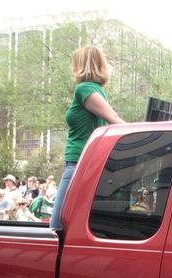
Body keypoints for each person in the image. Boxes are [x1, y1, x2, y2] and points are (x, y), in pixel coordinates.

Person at [50, 45, 125, 229]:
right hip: (84, 163)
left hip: (77, 163)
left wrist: (142, 131)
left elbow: (113, 119)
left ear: (81, 64)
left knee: (56, 225)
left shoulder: (83, 89)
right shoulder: (97, 91)